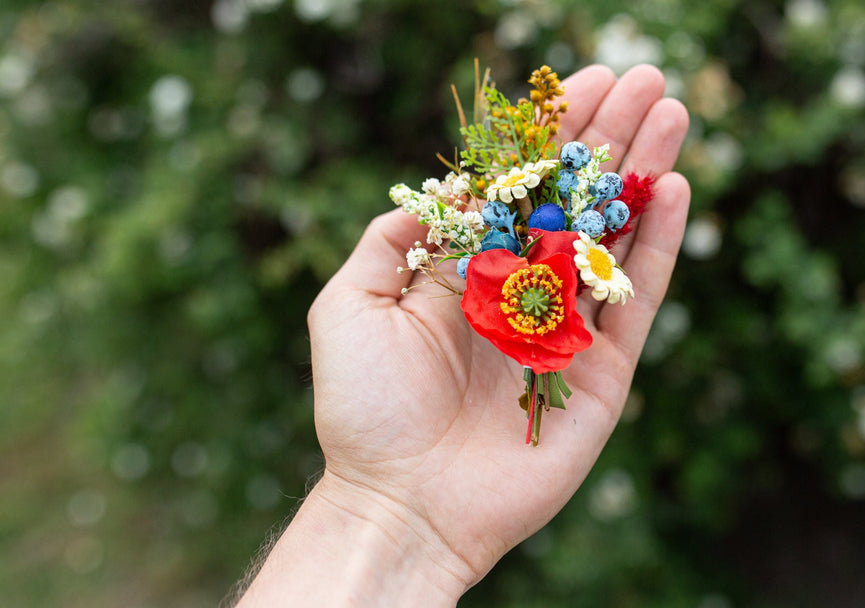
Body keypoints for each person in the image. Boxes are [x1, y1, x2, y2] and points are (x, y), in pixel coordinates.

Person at [233, 64, 691, 607]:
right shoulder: (516, 265)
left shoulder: (548, 255)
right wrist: (383, 494)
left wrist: (384, 508)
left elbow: (551, 255)